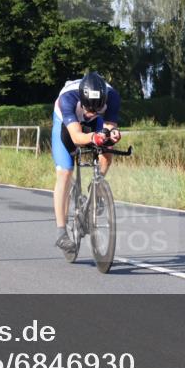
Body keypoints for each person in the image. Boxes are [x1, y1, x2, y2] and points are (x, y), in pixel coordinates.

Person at [52, 72, 122, 253]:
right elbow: (76, 137)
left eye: (96, 109)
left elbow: (109, 127)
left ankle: (95, 191)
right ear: (82, 101)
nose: (91, 113)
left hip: (96, 122)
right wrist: (93, 137)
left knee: (107, 152)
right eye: (89, 109)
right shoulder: (68, 99)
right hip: (66, 123)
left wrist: (112, 134)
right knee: (65, 172)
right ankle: (61, 232)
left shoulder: (112, 97)